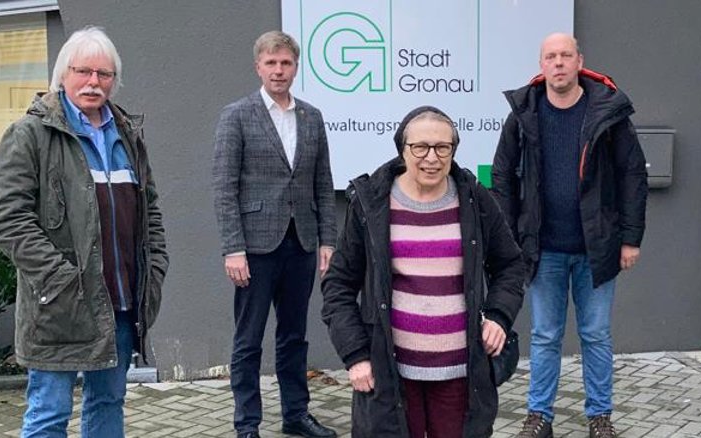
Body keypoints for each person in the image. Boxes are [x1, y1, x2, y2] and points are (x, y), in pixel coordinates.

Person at [0, 26, 169, 438]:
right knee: (49, 414)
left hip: (121, 304)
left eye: (104, 74)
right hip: (58, 307)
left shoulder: (127, 136)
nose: (93, 82)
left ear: (114, 81)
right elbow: (5, 219)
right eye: (84, 71)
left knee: (108, 404)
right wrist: (59, 278)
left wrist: (154, 269)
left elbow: (150, 211)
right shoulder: (30, 134)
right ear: (63, 74)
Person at [321, 106, 527, 437]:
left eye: (442, 147)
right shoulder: (371, 204)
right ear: (403, 150)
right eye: (421, 147)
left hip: (461, 373)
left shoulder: (475, 200)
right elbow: (338, 285)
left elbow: (510, 265)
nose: (431, 157)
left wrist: (499, 315)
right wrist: (355, 355)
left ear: (453, 151)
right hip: (390, 373)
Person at [491, 33, 648, 438]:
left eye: (565, 55)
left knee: (596, 335)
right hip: (544, 251)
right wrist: (509, 238)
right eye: (550, 56)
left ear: (580, 61)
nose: (558, 63)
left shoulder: (608, 113)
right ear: (541, 65)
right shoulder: (524, 113)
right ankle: (539, 417)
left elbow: (633, 176)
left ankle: (600, 417)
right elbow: (502, 177)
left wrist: (631, 238)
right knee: (544, 336)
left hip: (597, 248)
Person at [212, 30, 336, 438]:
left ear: (296, 67)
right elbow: (225, 186)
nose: (279, 70)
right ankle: (247, 423)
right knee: (248, 341)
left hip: (300, 242)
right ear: (258, 67)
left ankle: (295, 415)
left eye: (285, 63)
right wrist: (233, 248)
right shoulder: (237, 115)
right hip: (254, 247)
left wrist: (327, 240)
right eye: (271, 63)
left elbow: (322, 183)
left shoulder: (311, 117)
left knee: (294, 336)